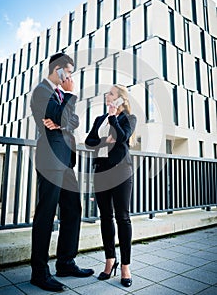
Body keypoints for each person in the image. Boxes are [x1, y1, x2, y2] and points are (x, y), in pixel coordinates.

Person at [30, 52, 94, 292]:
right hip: (50, 159)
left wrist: (63, 116)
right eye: (68, 71)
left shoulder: (57, 95)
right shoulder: (41, 91)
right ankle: (39, 272)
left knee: (73, 209)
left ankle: (66, 262)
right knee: (46, 214)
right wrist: (69, 97)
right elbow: (57, 116)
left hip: (66, 161)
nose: (69, 77)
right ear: (57, 70)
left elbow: (72, 120)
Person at [85, 84, 137, 288]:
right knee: (105, 217)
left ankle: (125, 265)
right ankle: (109, 261)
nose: (107, 96)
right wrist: (104, 141)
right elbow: (89, 141)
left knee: (122, 217)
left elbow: (122, 137)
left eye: (111, 94)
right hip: (101, 171)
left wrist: (113, 117)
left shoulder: (128, 119)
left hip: (121, 171)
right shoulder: (99, 120)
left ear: (120, 99)